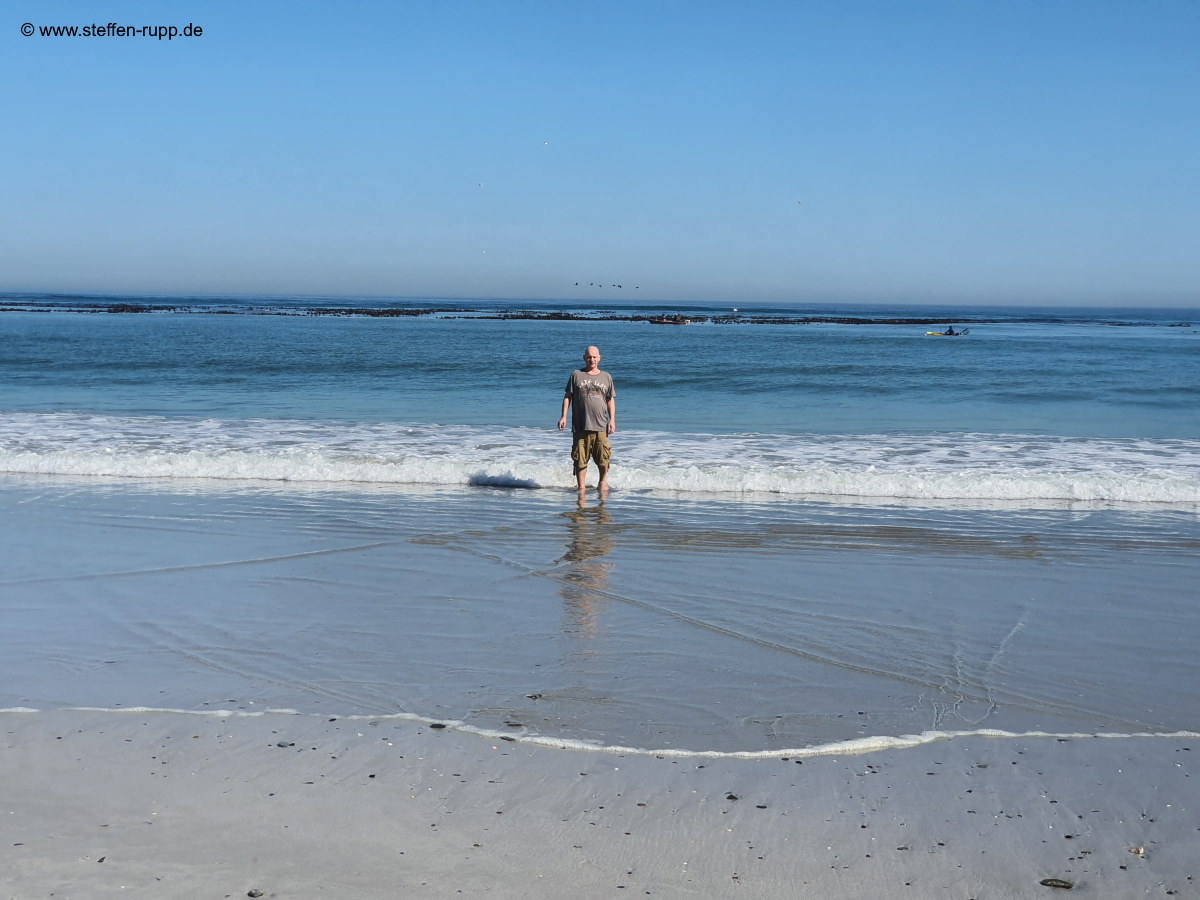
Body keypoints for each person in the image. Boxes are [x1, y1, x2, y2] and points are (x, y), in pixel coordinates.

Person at [558, 345, 616, 493]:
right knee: (580, 460)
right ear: (584, 358)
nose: (592, 359)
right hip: (580, 426)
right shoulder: (576, 375)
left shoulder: (606, 377)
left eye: (594, 356)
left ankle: (602, 482)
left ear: (599, 358)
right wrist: (563, 416)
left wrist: (612, 420)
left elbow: (610, 400)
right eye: (589, 356)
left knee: (603, 458)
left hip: (601, 426)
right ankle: (581, 488)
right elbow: (567, 397)